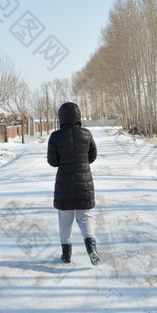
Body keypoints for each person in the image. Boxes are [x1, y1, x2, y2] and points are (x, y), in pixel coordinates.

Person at [47, 102, 100, 265]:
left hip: (64, 185)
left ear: (61, 117)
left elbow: (53, 162)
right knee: (85, 217)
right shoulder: (86, 134)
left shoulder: (55, 137)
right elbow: (92, 156)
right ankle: (91, 249)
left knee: (65, 219)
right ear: (78, 115)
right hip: (84, 184)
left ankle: (66, 254)